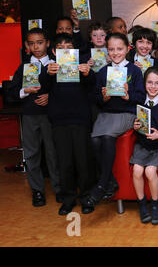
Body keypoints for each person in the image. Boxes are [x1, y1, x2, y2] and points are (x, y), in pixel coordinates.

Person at [86, 33, 145, 208]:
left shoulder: (134, 70)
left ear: (127, 49)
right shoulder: (103, 71)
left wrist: (128, 96)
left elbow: (141, 97)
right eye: (111, 49)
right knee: (94, 140)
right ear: (107, 51)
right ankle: (110, 182)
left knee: (106, 137)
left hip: (126, 113)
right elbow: (96, 97)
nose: (115, 53)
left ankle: (102, 185)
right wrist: (103, 97)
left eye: (119, 49)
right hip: (107, 114)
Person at [44, 33, 96, 215]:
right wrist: (48, 74)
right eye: (61, 47)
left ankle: (87, 197)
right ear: (53, 51)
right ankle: (68, 199)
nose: (65, 50)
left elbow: (93, 86)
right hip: (59, 120)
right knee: (64, 161)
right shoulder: (50, 67)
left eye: (69, 46)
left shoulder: (83, 65)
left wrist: (88, 73)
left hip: (80, 119)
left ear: (74, 50)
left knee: (83, 161)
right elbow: (42, 86)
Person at [9, 28, 61, 207]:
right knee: (32, 154)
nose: (36, 47)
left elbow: (66, 91)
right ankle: (37, 191)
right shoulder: (23, 67)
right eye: (32, 43)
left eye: (39, 42)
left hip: (50, 115)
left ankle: (59, 189)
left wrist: (51, 97)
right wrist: (26, 90)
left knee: (53, 153)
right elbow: (12, 92)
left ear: (47, 43)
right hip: (30, 115)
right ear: (27, 46)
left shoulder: (55, 64)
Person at [131, 67, 158, 224]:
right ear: (144, 84)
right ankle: (142, 204)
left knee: (150, 171)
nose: (153, 86)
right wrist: (135, 126)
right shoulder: (139, 103)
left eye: (157, 83)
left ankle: (155, 205)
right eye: (149, 82)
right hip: (142, 144)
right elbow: (135, 124)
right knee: (137, 170)